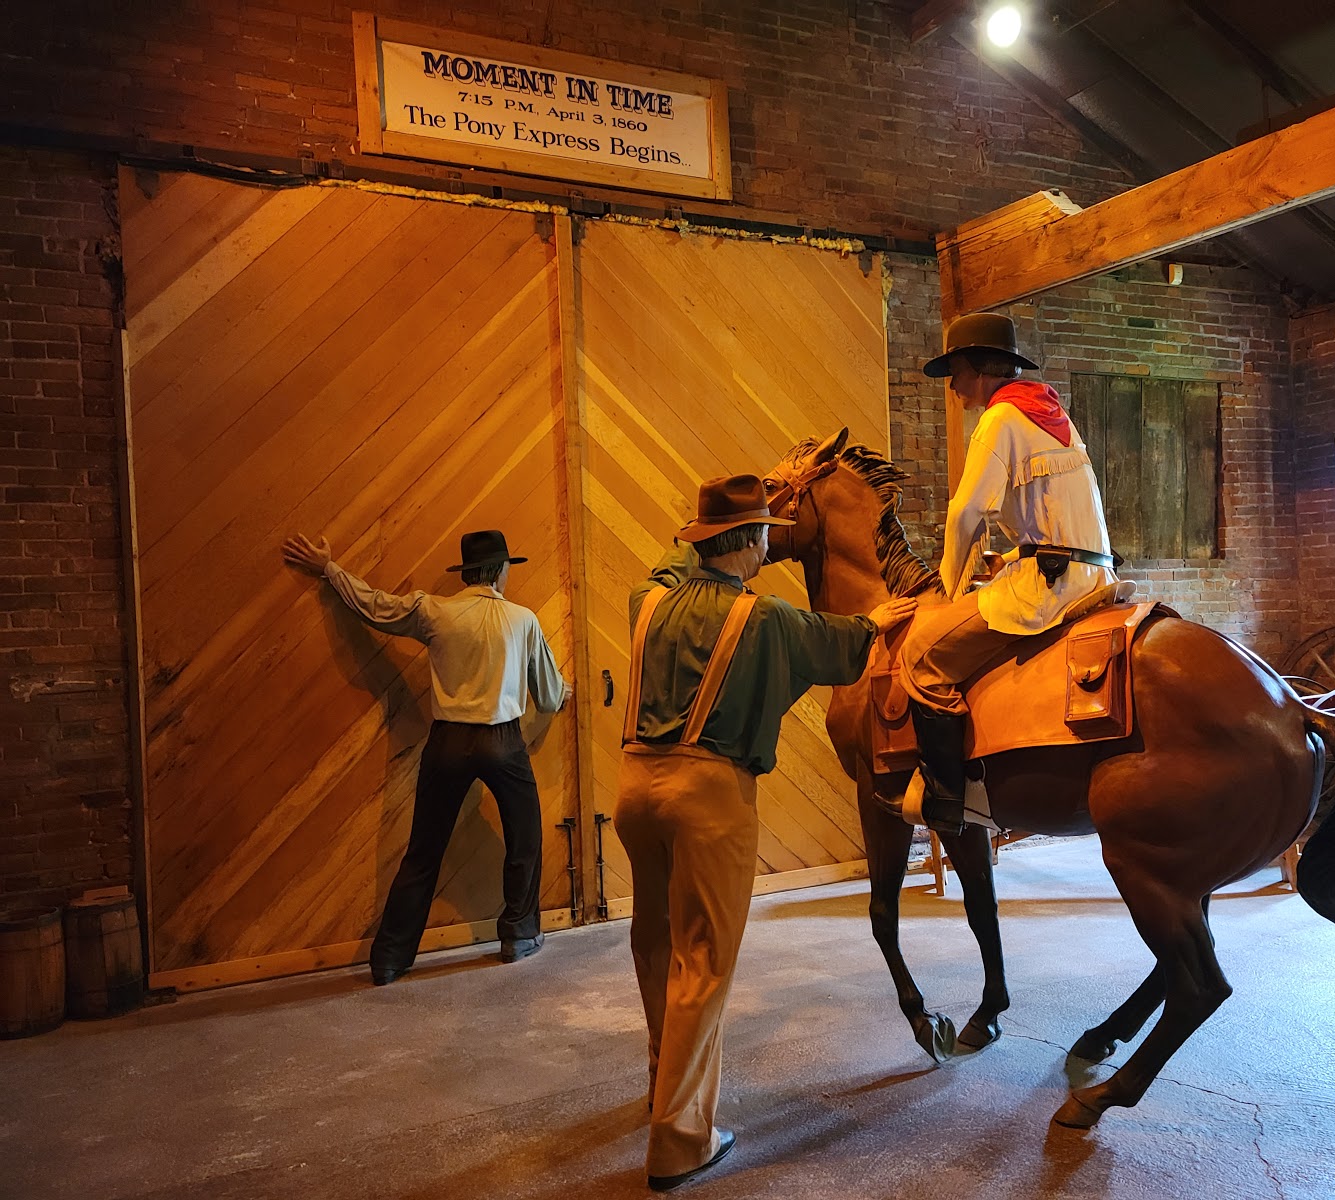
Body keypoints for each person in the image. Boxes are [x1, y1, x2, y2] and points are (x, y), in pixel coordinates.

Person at [617, 474, 916, 1192]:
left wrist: (715, 520)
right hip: (707, 797)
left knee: (654, 942)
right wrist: (886, 616)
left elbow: (669, 559)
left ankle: (665, 1088)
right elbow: (847, 644)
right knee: (702, 961)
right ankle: (680, 1141)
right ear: (753, 542)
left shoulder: (646, 598)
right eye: (763, 537)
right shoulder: (765, 619)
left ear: (698, 539)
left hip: (633, 788)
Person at [282, 528, 569, 986]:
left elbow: (374, 606)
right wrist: (564, 692)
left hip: (448, 744)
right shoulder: (523, 620)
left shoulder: (433, 610)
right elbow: (550, 696)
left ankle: (390, 958)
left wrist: (329, 570)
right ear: (499, 570)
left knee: (423, 851)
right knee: (525, 839)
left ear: (467, 571)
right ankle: (518, 934)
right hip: (504, 743)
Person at [900, 313, 1117, 835]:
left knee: (923, 653)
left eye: (956, 371)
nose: (953, 386)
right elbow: (1049, 517)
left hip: (1050, 586)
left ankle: (948, 797)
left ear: (978, 368)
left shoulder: (998, 420)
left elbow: (966, 513)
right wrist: (1007, 559)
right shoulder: (1050, 413)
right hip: (1092, 574)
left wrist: (948, 589)